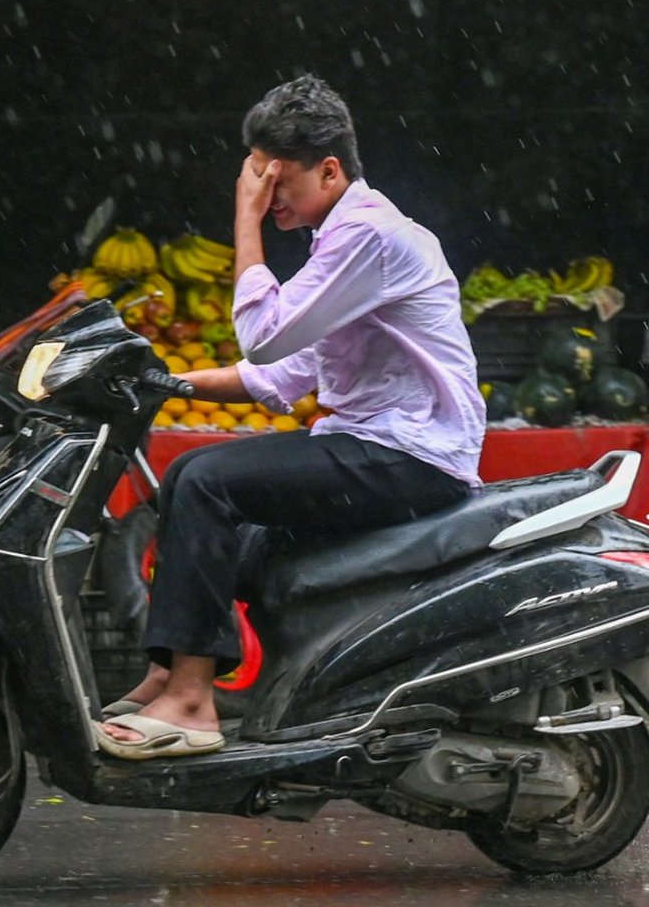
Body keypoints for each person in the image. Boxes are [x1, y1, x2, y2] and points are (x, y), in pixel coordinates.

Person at [96, 74, 486, 761]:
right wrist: (157, 381)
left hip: (411, 456)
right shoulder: (342, 239)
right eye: (257, 183)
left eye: (276, 182)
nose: (268, 196)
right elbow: (286, 375)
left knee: (204, 479)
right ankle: (174, 674)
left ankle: (191, 703)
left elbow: (265, 339)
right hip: (373, 445)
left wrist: (244, 218)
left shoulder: (369, 235)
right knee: (214, 526)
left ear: (329, 170)